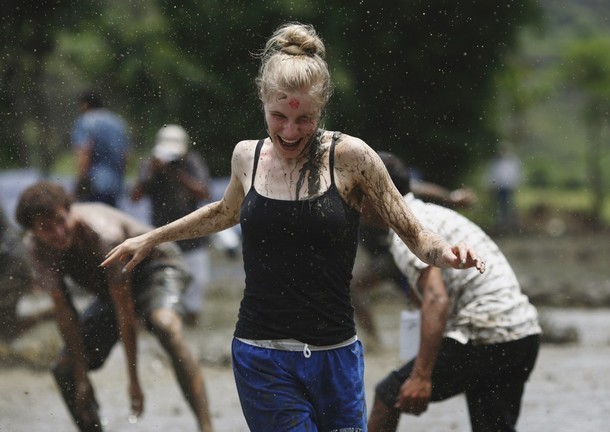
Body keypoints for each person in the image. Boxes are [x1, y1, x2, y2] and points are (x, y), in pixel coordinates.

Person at [102, 22, 485, 432]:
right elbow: (222, 212)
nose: (289, 130)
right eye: (278, 116)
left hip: (336, 354)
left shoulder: (352, 157)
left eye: (304, 119)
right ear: (263, 103)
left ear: (321, 108)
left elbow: (411, 229)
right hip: (261, 354)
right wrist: (152, 236)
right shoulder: (246, 157)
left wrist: (444, 253)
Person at [15, 181, 213, 432]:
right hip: (110, 290)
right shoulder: (36, 248)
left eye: (60, 221)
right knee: (64, 369)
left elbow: (125, 313)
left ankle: (206, 427)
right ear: (33, 231)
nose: (58, 232)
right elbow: (65, 313)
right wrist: (81, 376)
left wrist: (133, 381)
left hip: (157, 267)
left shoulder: (101, 233)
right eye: (46, 228)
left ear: (69, 210)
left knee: (165, 325)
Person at [367, 153, 541, 432]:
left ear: (375, 198)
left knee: (389, 396)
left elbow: (436, 298)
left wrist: (421, 376)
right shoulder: (426, 211)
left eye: (356, 193)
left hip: (486, 333)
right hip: (523, 333)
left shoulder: (409, 232)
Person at [352, 153, 477, 348]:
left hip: (400, 253)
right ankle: (375, 340)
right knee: (356, 289)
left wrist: (451, 198)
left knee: (424, 299)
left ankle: (450, 340)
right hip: (382, 258)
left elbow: (419, 190)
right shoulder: (352, 196)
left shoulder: (389, 195)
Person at [131, 124, 212, 326]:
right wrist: (152, 173)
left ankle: (191, 325)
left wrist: (177, 174)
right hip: (162, 235)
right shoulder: (151, 165)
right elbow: (134, 196)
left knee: (196, 284)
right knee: (160, 283)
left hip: (193, 234)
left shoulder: (192, 162)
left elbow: (204, 193)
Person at [0, 204, 54, 341]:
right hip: (11, 262)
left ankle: (49, 314)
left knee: (7, 331)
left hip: (9, 267)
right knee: (6, 332)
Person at [72, 90, 131, 207]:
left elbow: (85, 152)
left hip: (94, 184)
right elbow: (125, 155)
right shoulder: (117, 122)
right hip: (115, 185)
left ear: (85, 104)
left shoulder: (85, 121)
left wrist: (80, 182)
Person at [485, 141, 522, 233]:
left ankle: (508, 224)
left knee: (508, 206)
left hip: (508, 187)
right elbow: (492, 175)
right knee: (497, 207)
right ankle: (498, 224)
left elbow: (516, 175)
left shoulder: (512, 162)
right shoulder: (496, 162)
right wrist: (491, 186)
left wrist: (515, 185)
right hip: (498, 188)